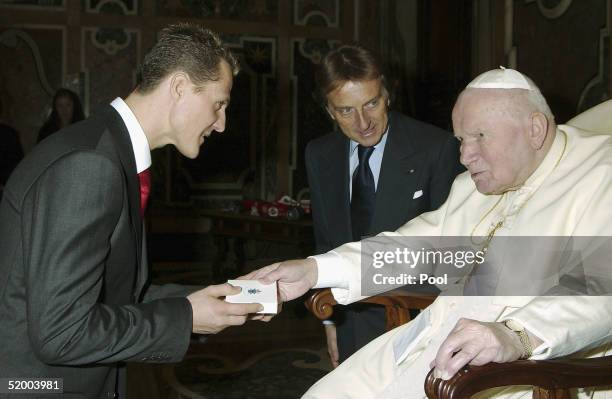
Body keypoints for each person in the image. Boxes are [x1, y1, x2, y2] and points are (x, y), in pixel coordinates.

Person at [248, 67, 612, 398]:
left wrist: (516, 334)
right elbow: (413, 247)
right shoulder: (472, 187)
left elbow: (599, 287)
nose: (466, 156)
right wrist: (315, 270)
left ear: (534, 129)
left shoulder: (602, 172)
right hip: (430, 342)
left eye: (479, 137)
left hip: (518, 372)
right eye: (460, 140)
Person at [0, 24, 265, 399]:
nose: (221, 124)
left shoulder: (107, 151)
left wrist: (217, 301)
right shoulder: (89, 166)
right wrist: (185, 318)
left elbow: (111, 295)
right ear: (179, 87)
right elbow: (61, 332)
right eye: (219, 104)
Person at [306, 44, 462, 367]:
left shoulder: (436, 149)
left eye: (371, 103)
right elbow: (325, 245)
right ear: (329, 111)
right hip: (348, 324)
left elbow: (451, 258)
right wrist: (329, 322)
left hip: (415, 330)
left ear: (388, 93)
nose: (363, 122)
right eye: (346, 111)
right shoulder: (319, 155)